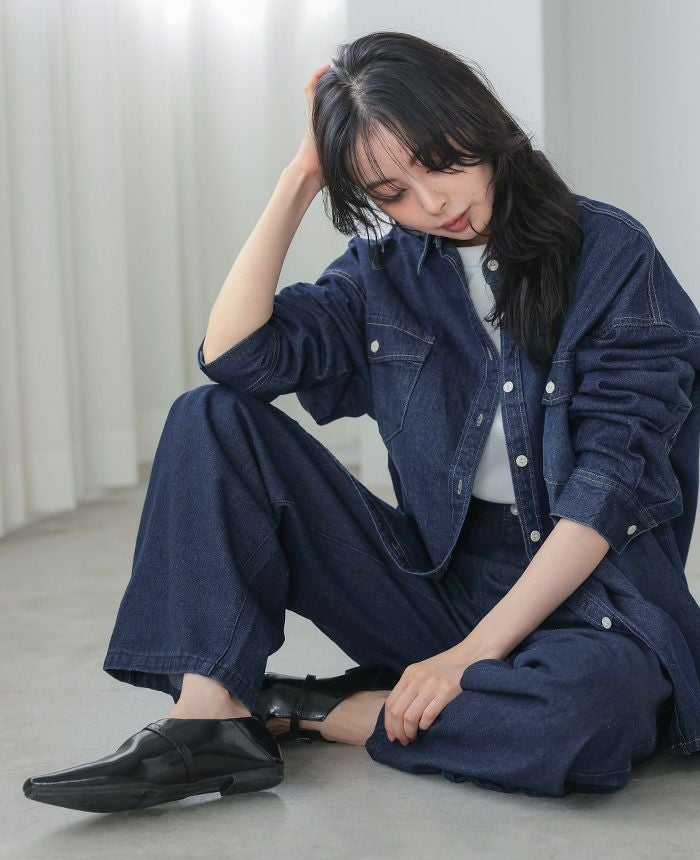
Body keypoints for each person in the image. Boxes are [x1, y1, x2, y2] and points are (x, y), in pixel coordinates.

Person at [23, 31, 700, 813]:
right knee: (210, 417)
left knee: (584, 720)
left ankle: (324, 710)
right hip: (438, 580)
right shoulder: (383, 274)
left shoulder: (611, 255)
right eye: (391, 192)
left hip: (590, 597)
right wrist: (301, 177)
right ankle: (210, 718)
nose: (433, 203)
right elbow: (235, 358)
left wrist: (469, 657)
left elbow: (607, 488)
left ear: (480, 124)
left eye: (441, 162)